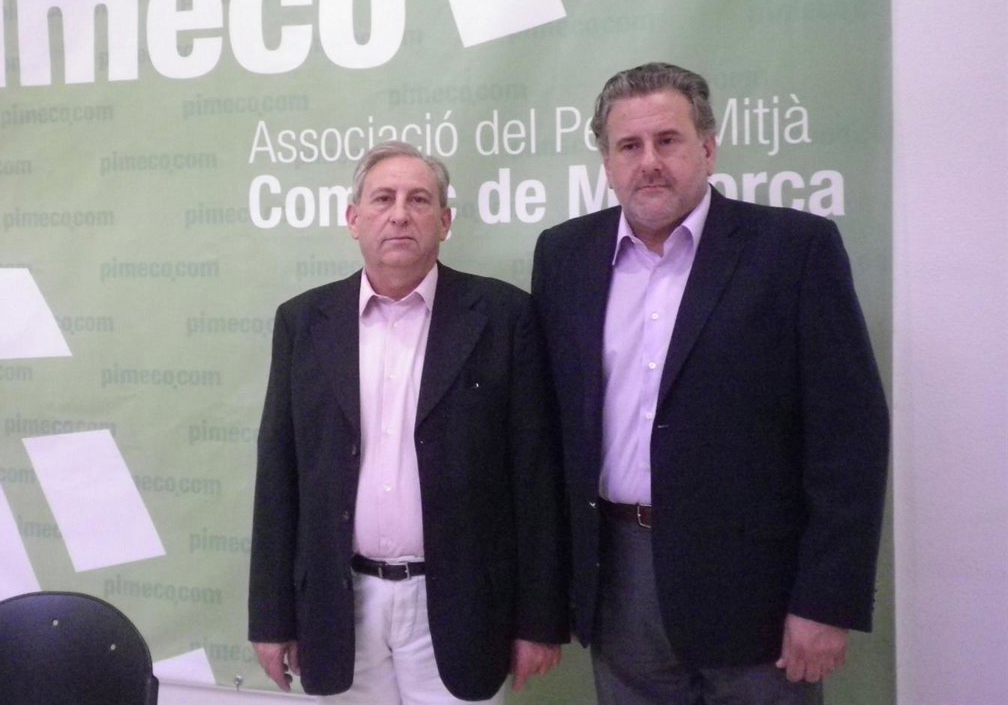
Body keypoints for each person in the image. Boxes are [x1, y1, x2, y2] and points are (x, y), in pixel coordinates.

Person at [531, 63, 889, 704]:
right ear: (607, 163)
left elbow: (849, 437)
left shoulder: (793, 250)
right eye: (629, 146)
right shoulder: (564, 256)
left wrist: (825, 601)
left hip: (757, 592)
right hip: (618, 581)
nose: (649, 162)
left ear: (708, 148)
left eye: (667, 140)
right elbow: (554, 429)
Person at [249, 141, 567, 704]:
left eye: (419, 199)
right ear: (354, 219)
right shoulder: (303, 322)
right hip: (340, 606)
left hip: (462, 608)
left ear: (445, 221)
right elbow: (279, 474)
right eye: (383, 199)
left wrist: (538, 621)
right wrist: (271, 618)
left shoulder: (503, 317)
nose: (400, 214)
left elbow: (535, 478)